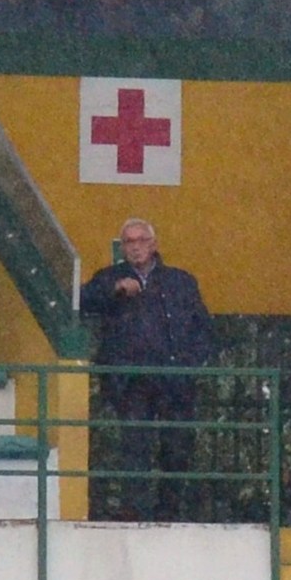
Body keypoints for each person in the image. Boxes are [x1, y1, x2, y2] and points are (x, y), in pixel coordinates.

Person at [80, 217, 214, 523]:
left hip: (174, 379)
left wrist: (191, 364)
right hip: (132, 381)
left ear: (153, 245)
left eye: (142, 240)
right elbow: (83, 300)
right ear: (122, 247)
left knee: (176, 447)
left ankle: (170, 511)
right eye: (129, 241)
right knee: (135, 445)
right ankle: (135, 510)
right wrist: (115, 290)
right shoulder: (109, 277)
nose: (136, 247)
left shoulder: (180, 281)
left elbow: (203, 329)